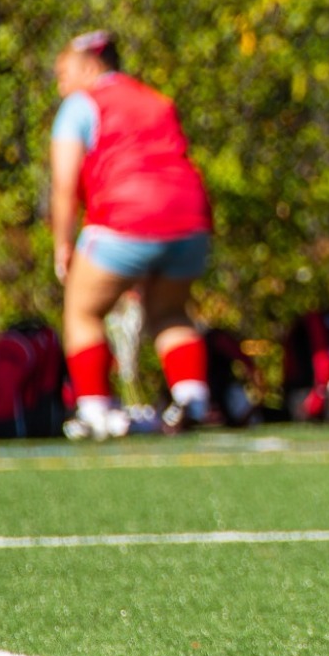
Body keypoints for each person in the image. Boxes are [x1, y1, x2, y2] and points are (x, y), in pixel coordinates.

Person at [49, 31, 214, 441]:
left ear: (90, 67)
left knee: (83, 311)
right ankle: (191, 399)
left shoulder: (80, 104)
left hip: (123, 221)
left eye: (63, 73)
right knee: (169, 312)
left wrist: (63, 243)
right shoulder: (155, 98)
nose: (61, 84)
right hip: (191, 222)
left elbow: (64, 183)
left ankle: (94, 411)